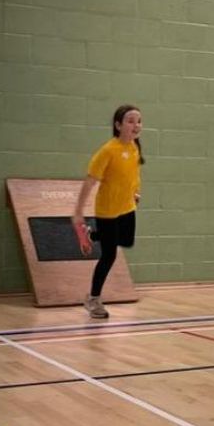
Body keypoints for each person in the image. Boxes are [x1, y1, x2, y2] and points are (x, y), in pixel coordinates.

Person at [72, 104, 144, 318]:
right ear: (118, 125)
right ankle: (93, 299)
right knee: (109, 255)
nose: (136, 125)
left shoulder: (134, 147)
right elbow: (90, 181)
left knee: (127, 240)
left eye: (139, 121)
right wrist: (78, 211)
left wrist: (135, 192)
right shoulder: (107, 150)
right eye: (130, 121)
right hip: (108, 210)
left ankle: (91, 235)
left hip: (128, 206)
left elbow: (133, 174)